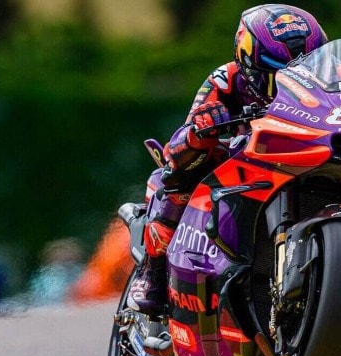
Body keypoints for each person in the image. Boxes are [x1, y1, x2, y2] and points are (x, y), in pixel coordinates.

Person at [128, 4, 328, 315]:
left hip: (304, 151)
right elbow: (178, 145)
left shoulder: (335, 77)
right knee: (180, 170)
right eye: (277, 77)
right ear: (248, 62)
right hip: (242, 161)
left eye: (306, 73)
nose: (288, 84)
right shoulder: (225, 80)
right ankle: (152, 271)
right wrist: (202, 129)